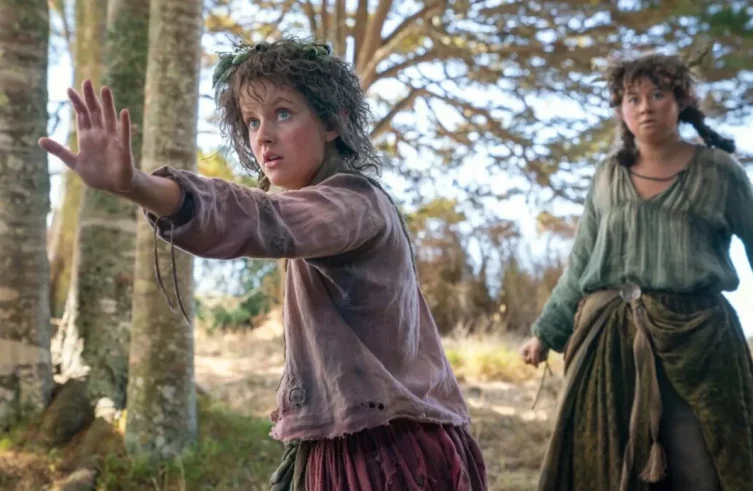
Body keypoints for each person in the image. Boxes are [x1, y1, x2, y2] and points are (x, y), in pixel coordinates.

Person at [39, 38, 487, 491]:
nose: (263, 136)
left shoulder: (354, 204)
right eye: (252, 121)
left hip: (389, 453)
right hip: (364, 438)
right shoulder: (333, 203)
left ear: (334, 121)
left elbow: (259, 217)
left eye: (283, 113)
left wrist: (135, 184)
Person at [518, 53, 753, 491]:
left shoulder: (721, 172)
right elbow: (581, 264)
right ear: (620, 108)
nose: (644, 106)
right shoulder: (607, 176)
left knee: (704, 470)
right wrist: (545, 333)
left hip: (701, 343)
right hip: (609, 348)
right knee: (609, 474)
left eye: (657, 94)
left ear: (681, 100)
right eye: (632, 97)